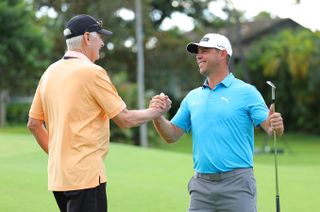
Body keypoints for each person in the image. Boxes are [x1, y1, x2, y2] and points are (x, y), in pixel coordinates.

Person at [27, 14, 170, 212]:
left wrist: (60, 156)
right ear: (87, 38)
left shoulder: (49, 72)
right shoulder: (92, 72)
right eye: (99, 37)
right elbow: (124, 119)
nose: (102, 43)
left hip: (59, 177)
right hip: (86, 176)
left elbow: (34, 124)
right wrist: (156, 111)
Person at [150, 33, 284, 212]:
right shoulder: (193, 97)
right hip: (201, 187)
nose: (198, 55)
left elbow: (271, 129)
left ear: (222, 54)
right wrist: (157, 116)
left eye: (205, 51)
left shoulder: (247, 92)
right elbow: (171, 135)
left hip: (237, 185)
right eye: (198, 52)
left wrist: (276, 125)